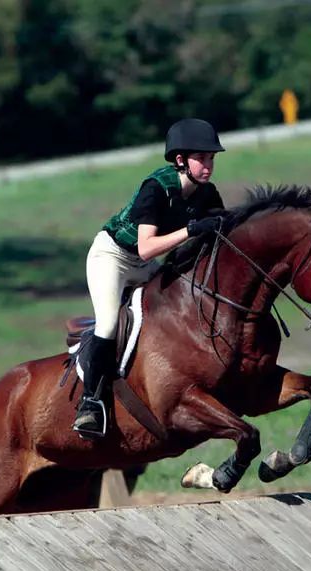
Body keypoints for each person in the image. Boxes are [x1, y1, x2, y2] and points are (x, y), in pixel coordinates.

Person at [73, 118, 227, 439]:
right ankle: (90, 404)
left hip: (145, 265)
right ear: (181, 160)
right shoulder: (155, 188)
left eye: (211, 158)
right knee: (108, 325)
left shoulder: (206, 194)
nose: (209, 165)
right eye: (202, 158)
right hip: (112, 258)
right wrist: (190, 230)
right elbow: (145, 248)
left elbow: (222, 228)